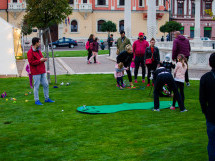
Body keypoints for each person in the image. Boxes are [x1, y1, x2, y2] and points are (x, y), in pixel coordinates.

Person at [27, 37, 54, 105]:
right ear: (36, 43)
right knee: (36, 86)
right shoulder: (30, 52)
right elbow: (31, 62)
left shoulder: (38, 50)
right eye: (39, 42)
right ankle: (37, 100)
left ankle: (47, 99)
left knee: (46, 84)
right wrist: (40, 60)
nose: (40, 43)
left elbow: (40, 59)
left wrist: (43, 59)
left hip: (42, 70)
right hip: (36, 72)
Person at [199, 53, 215, 161]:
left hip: (211, 114)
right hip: (211, 114)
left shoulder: (205, 78)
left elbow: (202, 99)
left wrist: (205, 111)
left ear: (209, 63)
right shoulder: (205, 78)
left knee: (212, 142)